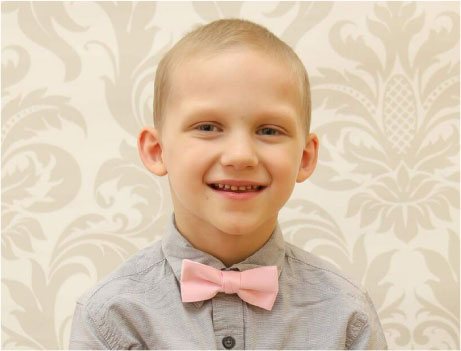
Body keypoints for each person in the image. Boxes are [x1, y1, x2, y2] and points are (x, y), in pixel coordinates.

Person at [69, 18, 387, 350]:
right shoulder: (110, 316)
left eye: (269, 130)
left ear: (305, 157)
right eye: (207, 127)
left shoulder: (347, 314)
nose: (240, 156)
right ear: (157, 150)